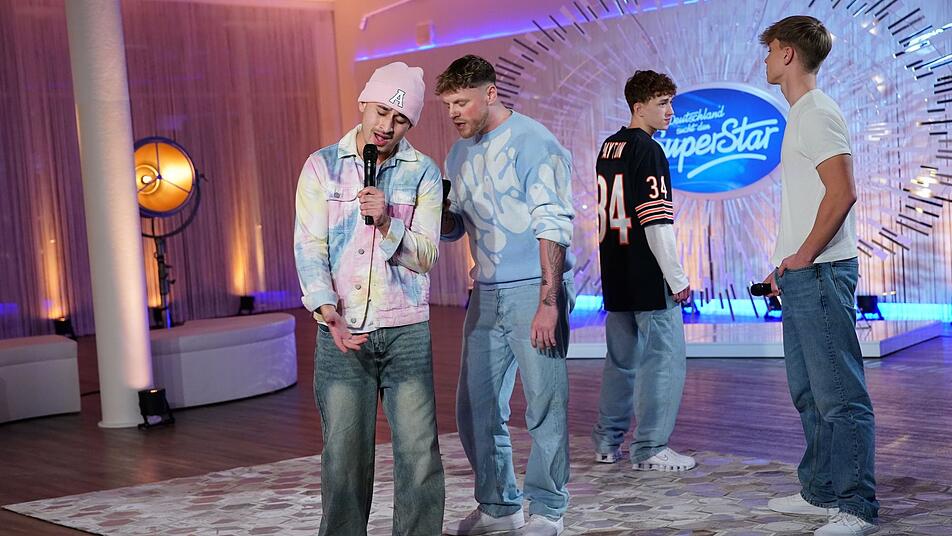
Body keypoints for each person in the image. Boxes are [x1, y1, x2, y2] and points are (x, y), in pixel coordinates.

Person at [293, 61, 445, 536]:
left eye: (400, 119)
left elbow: (426, 256)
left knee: (419, 454)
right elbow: (309, 247)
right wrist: (326, 310)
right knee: (343, 457)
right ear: (363, 102)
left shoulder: (424, 172)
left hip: (405, 330)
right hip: (342, 330)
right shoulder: (321, 166)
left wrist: (387, 221)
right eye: (381, 111)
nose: (386, 126)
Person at [437, 55, 575, 536]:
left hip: (534, 289)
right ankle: (499, 507)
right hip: (485, 293)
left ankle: (549, 510)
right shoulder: (458, 153)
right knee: (474, 407)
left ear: (490, 93)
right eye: (448, 105)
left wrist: (549, 301)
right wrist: (432, 209)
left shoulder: (535, 141)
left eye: (462, 102)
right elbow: (456, 228)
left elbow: (553, 223)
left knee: (544, 405)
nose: (454, 112)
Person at [759, 16, 879, 536]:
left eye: (769, 51)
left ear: (787, 53)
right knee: (809, 392)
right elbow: (812, 201)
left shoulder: (816, 113)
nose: (765, 61)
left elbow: (842, 192)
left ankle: (856, 506)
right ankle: (822, 490)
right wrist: (786, 262)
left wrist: (804, 256)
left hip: (823, 272)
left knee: (839, 396)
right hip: (804, 272)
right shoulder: (802, 114)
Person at [591, 70, 695, 473]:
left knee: (620, 361)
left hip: (615, 272)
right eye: (662, 103)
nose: (671, 112)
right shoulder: (649, 150)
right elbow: (656, 223)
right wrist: (677, 279)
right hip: (648, 276)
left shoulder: (609, 146)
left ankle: (607, 442)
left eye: (671, 102)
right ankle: (651, 448)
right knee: (663, 362)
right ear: (638, 107)